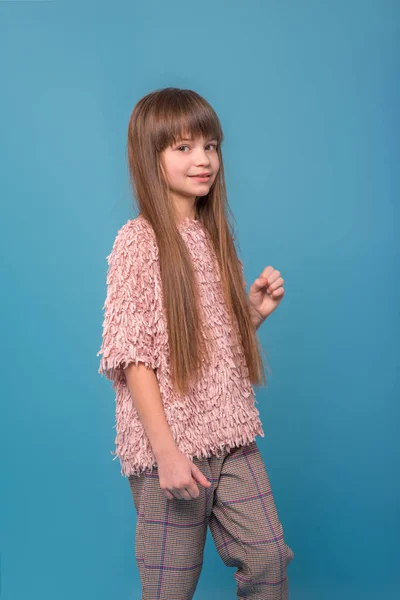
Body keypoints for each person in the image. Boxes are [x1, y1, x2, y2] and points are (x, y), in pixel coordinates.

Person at [97, 87, 295, 599]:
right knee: (169, 586)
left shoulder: (211, 238)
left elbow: (212, 351)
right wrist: (166, 452)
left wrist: (250, 315)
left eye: (210, 146)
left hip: (231, 435)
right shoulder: (139, 241)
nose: (203, 159)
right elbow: (133, 357)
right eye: (183, 148)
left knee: (268, 556)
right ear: (151, 156)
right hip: (170, 444)